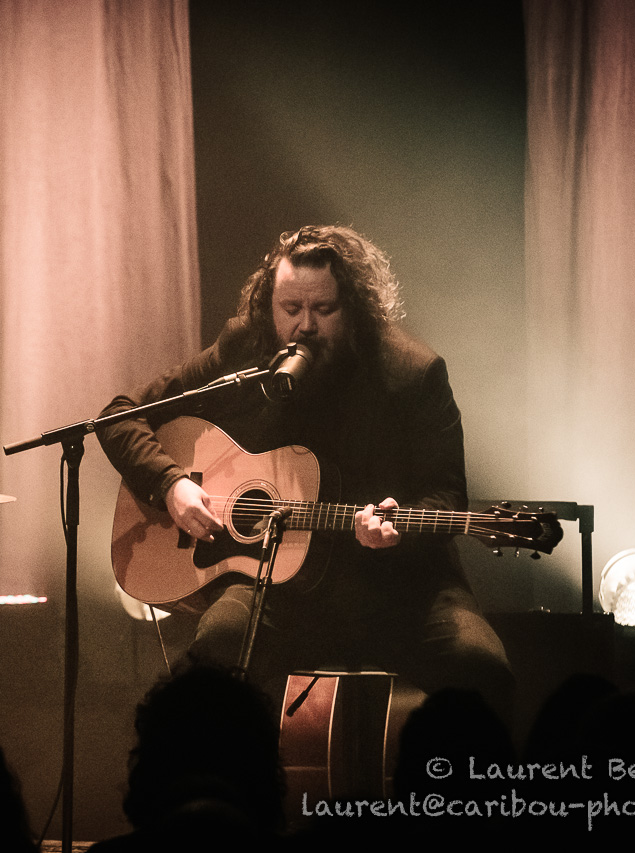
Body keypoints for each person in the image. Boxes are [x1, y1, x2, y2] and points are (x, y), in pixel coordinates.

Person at [97, 226, 512, 709]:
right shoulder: (246, 347)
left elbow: (447, 494)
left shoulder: (412, 373)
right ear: (269, 304)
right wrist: (170, 484)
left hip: (399, 589)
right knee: (213, 660)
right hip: (278, 589)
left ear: (354, 307)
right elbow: (120, 415)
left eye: (324, 309)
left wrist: (397, 530)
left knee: (482, 668)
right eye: (290, 308)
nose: (305, 326)